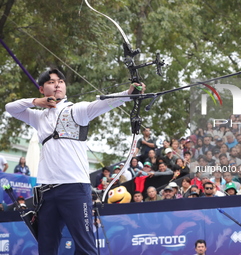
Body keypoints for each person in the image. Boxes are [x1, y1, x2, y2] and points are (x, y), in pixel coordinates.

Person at [5, 68, 145, 255]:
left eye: (60, 81)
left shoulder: (76, 110)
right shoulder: (38, 117)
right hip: (47, 192)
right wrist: (36, 102)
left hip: (74, 189)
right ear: (41, 89)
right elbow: (10, 108)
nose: (57, 85)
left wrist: (129, 94)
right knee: (46, 249)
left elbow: (104, 103)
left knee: (86, 248)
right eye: (51, 82)